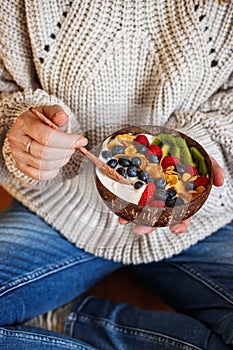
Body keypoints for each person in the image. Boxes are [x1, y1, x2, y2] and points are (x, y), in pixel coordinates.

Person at [0, 0, 233, 348]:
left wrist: (199, 153)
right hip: (60, 208)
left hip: (199, 217)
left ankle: (62, 323)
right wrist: (18, 128)